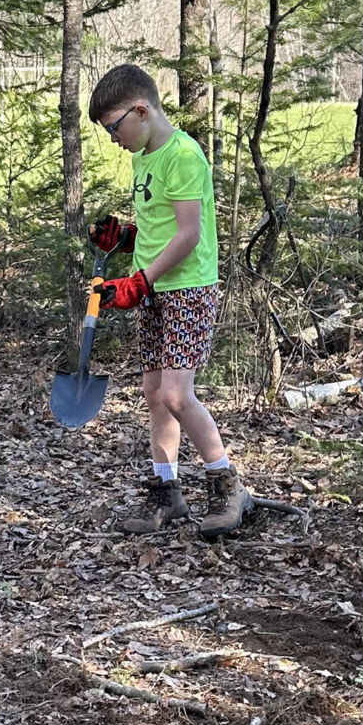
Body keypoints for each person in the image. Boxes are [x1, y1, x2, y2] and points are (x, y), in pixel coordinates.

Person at [86, 64, 251, 540]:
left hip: (188, 288)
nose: (114, 138)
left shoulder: (183, 155)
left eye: (115, 127)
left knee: (178, 395)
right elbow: (160, 227)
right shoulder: (144, 156)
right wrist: (127, 236)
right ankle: (167, 492)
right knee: (155, 395)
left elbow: (188, 235)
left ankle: (227, 485)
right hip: (157, 287)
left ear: (142, 109)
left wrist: (138, 282)